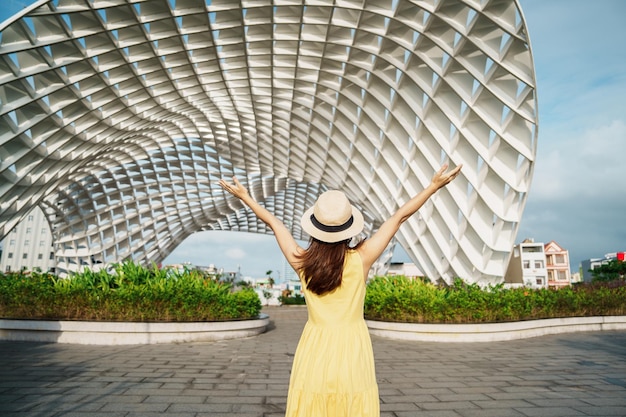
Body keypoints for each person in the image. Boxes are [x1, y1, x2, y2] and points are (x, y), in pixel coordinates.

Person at [219, 163, 462, 417]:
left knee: (314, 404)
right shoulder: (363, 257)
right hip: (352, 345)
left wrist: (246, 196)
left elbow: (275, 224)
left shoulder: (302, 261)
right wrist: (432, 187)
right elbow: (398, 218)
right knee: (352, 404)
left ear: (315, 228)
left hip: (314, 346)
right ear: (348, 229)